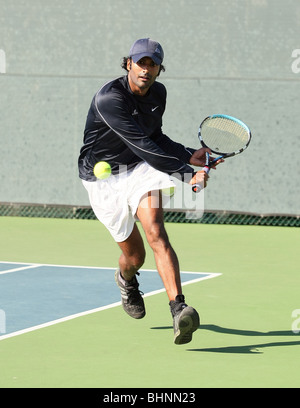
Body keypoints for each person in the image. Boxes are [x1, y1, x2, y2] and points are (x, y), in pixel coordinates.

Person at [79, 38, 218, 345]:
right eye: (140, 63)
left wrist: (188, 153)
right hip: (102, 180)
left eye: (152, 64)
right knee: (135, 256)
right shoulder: (110, 99)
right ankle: (126, 279)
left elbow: (154, 137)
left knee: (156, 231)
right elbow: (143, 145)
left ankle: (178, 308)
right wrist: (187, 174)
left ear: (159, 69)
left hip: (140, 169)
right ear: (128, 64)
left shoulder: (159, 94)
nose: (146, 69)